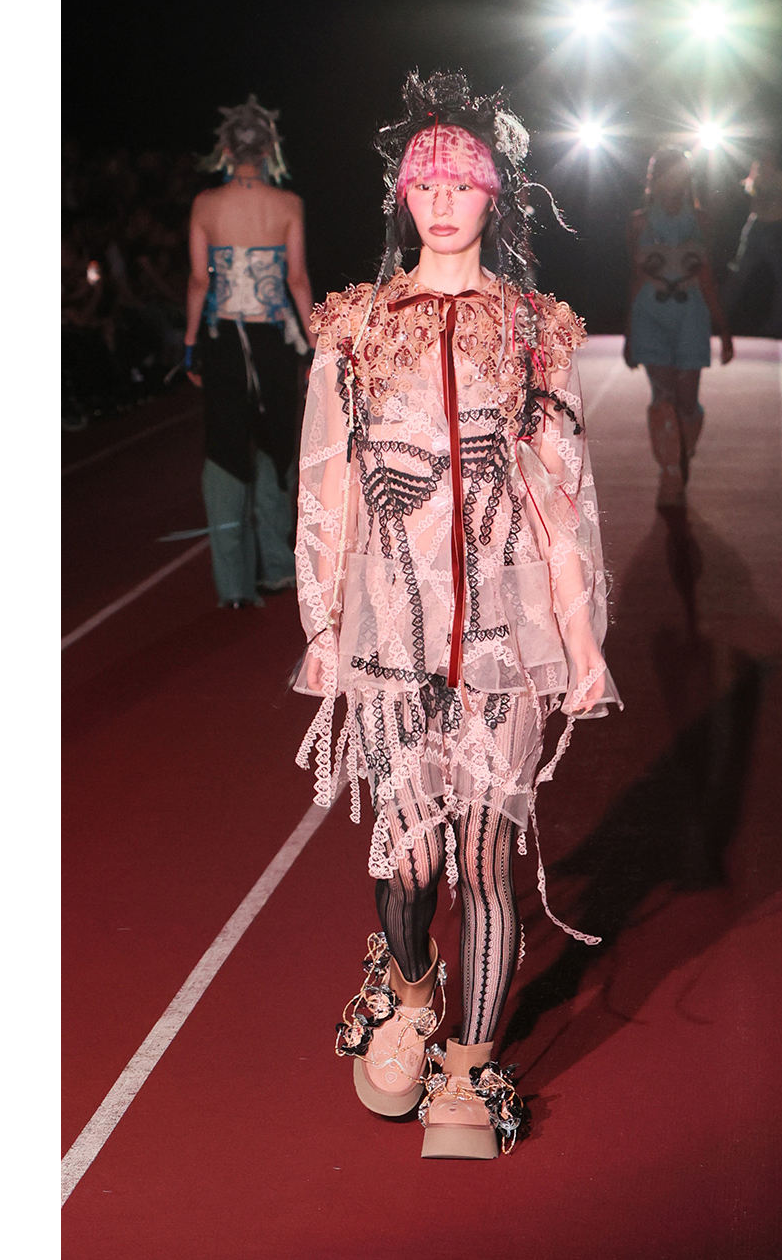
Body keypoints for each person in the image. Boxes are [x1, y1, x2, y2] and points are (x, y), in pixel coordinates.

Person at [294, 71, 620, 1159]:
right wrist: (320, 624)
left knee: (483, 857)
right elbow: (326, 489)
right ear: (401, 194)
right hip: (389, 637)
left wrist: (582, 640)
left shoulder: (535, 333)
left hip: (500, 644)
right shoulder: (353, 329)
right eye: (424, 182)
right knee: (407, 859)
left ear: (494, 194)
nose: (442, 200)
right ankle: (410, 986)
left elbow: (562, 499)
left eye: (462, 182)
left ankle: (472, 1069)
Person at [184, 97, 316, 609]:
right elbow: (296, 279)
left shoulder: (205, 204)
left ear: (225, 149)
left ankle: (234, 585)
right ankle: (277, 568)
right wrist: (314, 344)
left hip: (223, 340)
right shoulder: (288, 205)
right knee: (276, 445)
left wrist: (190, 343)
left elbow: (200, 280)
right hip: (274, 340)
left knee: (224, 449)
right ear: (268, 150)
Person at [623, 146, 733, 508]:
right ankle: (669, 474)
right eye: (664, 175)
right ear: (653, 180)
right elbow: (635, 278)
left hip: (690, 314)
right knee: (663, 400)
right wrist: (629, 333)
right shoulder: (639, 222)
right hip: (650, 313)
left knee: (687, 402)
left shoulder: (701, 221)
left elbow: (707, 276)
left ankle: (683, 451)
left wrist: (723, 330)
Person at [722, 151, 782, 339]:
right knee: (739, 274)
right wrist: (750, 184)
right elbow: (752, 200)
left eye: (769, 160)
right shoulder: (756, 178)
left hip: (775, 230)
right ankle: (720, 316)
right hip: (756, 228)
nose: (766, 163)